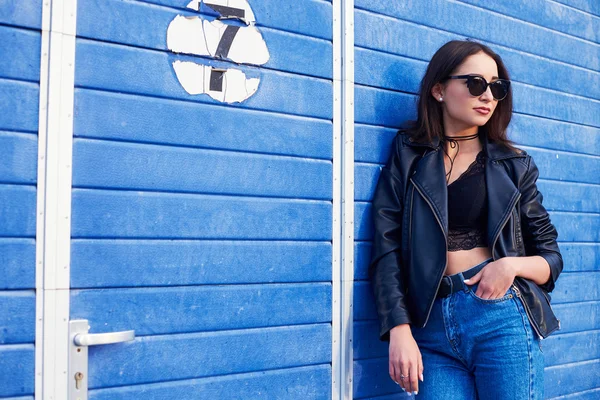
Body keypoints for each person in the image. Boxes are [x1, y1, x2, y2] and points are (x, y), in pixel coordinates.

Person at [368, 39, 563, 399]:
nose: (488, 95)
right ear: (439, 90)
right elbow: (386, 246)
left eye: (497, 87)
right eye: (475, 84)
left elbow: (551, 258)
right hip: (431, 325)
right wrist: (398, 328)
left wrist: (509, 266)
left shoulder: (514, 165)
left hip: (500, 319)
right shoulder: (409, 154)